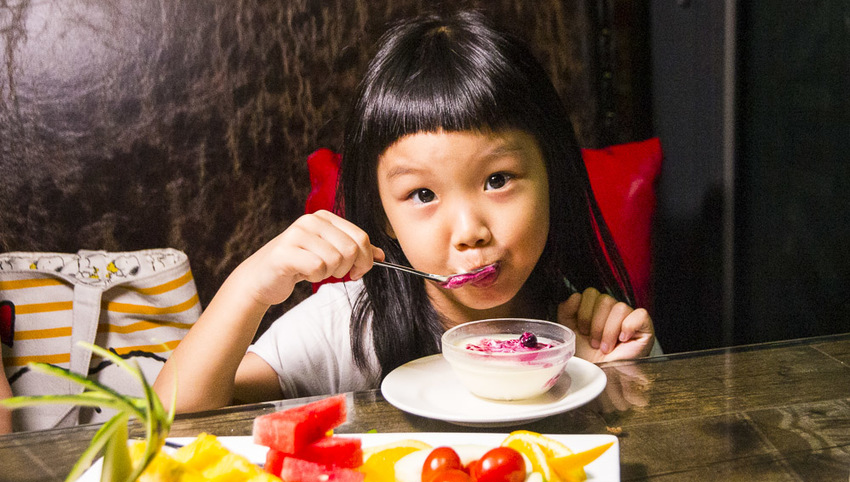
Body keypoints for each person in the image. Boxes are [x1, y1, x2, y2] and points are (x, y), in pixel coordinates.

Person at [154, 10, 656, 414]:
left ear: (554, 177)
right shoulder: (347, 326)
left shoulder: (595, 327)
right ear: (385, 217)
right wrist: (250, 285)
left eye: (497, 180)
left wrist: (604, 381)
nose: (468, 232)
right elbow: (172, 412)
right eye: (422, 195)